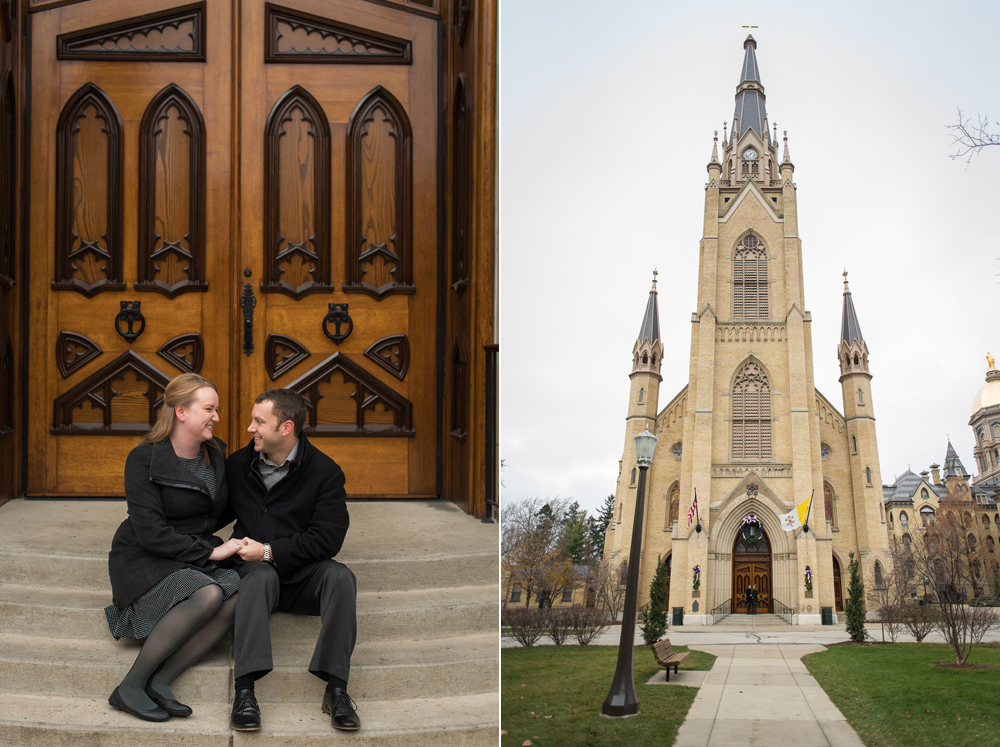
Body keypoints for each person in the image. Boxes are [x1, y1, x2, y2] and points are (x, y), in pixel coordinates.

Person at [105, 373, 245, 722]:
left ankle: (162, 681)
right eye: (209, 409)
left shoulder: (216, 453)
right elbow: (150, 532)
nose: (216, 416)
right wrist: (211, 553)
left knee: (238, 594)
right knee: (210, 594)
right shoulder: (144, 458)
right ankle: (131, 686)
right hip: (145, 556)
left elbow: (224, 508)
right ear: (181, 412)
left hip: (190, 553)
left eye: (216, 409)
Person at [221, 389, 358, 732]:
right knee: (260, 576)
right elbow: (209, 516)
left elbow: (328, 538)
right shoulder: (238, 465)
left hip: (301, 578)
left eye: (258, 422)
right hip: (253, 575)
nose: (251, 428)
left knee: (341, 577)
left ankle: (337, 689)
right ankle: (245, 691)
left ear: (286, 428)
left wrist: (269, 552)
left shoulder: (325, 472)